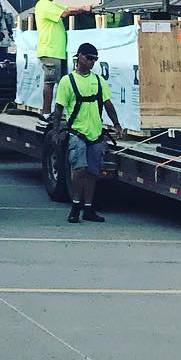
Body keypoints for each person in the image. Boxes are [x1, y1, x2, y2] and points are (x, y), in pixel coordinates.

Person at [54, 40, 121, 224]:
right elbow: (59, 108)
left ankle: (89, 209)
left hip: (96, 134)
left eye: (95, 59)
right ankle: (76, 206)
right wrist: (56, 131)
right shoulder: (67, 81)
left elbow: (108, 104)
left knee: (92, 172)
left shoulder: (98, 81)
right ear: (79, 57)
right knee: (79, 170)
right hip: (77, 133)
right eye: (89, 58)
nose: (92, 62)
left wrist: (116, 124)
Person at [35, 0, 93, 114]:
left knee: (60, 84)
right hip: (50, 50)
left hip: (56, 51)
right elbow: (65, 12)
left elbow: (67, 8)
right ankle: (46, 114)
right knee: (50, 82)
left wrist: (81, 8)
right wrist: (84, 9)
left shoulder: (50, 5)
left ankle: (57, 113)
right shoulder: (43, 5)